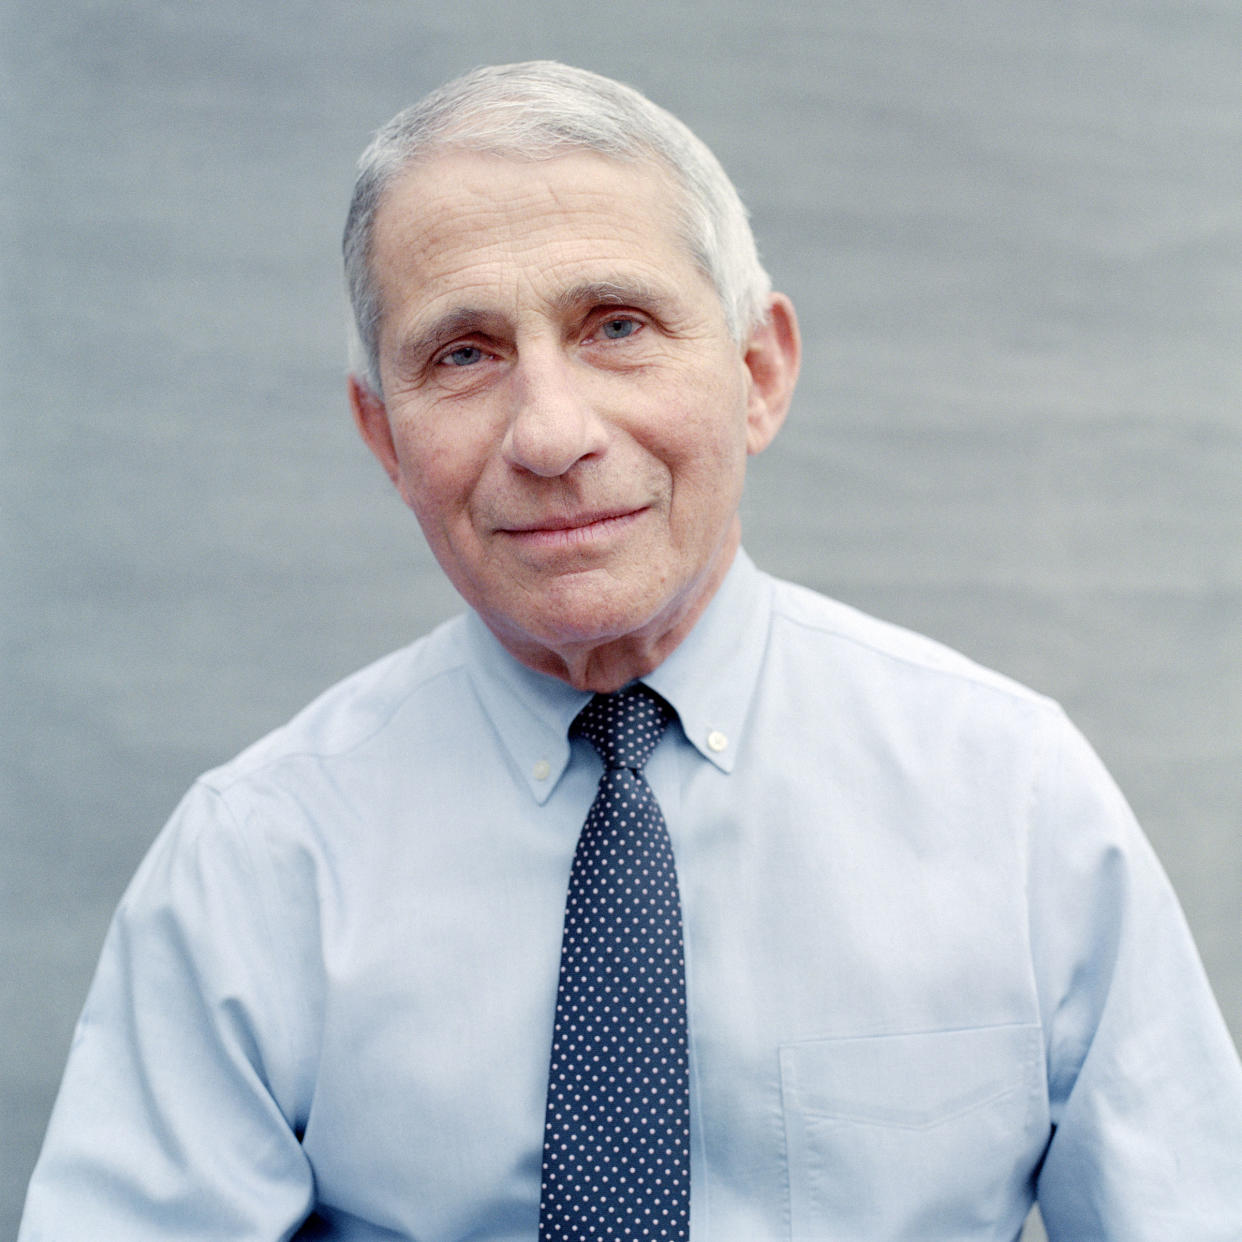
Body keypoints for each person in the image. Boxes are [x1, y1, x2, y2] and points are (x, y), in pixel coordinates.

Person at [19, 60, 1242, 1242]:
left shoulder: (1012, 798)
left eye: (616, 326)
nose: (550, 433)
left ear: (758, 374)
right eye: (464, 355)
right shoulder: (255, 862)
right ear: (385, 441)